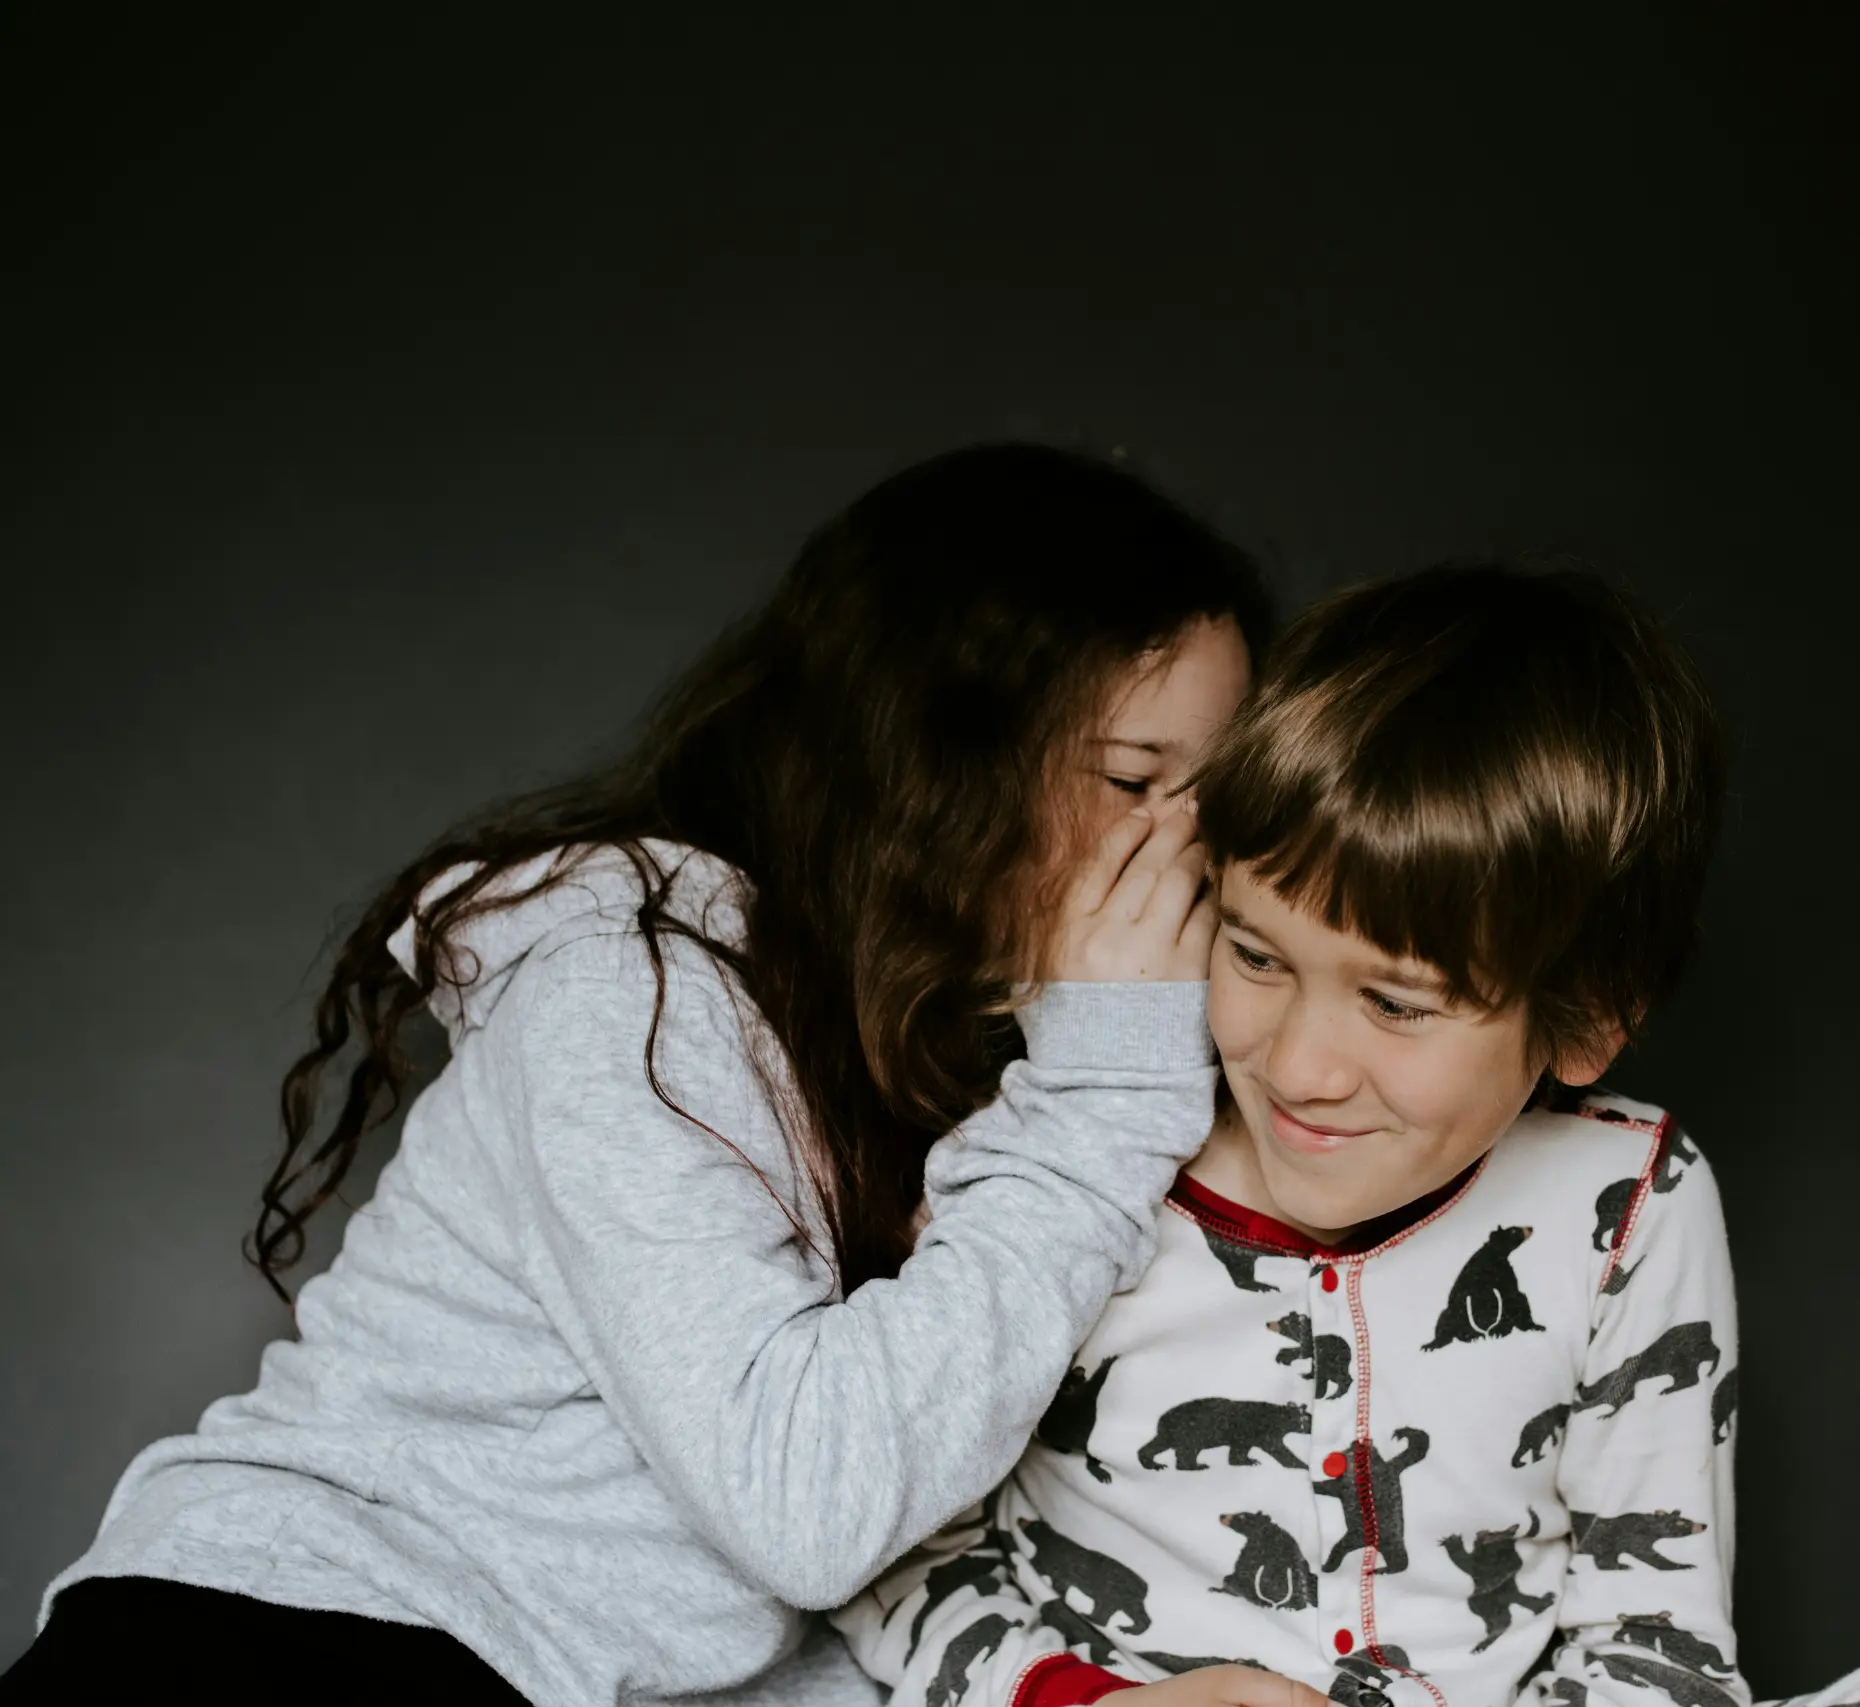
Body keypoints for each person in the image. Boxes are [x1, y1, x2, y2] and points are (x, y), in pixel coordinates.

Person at [1, 444, 1330, 1707]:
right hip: (283, 1646)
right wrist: (1106, 1090)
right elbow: (810, 1506)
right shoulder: (623, 988)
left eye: (1215, 796)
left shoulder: (980, 1063)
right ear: (931, 771)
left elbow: (806, 1583)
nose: (1185, 849)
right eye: (1133, 779)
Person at [839, 564, 1860, 1707]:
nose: (1301, 1062)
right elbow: (886, 1552)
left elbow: (1653, 1634)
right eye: (1257, 953)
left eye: (1398, 1003)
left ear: (1583, 1021)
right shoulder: (1069, 1162)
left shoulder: (1630, 1198)